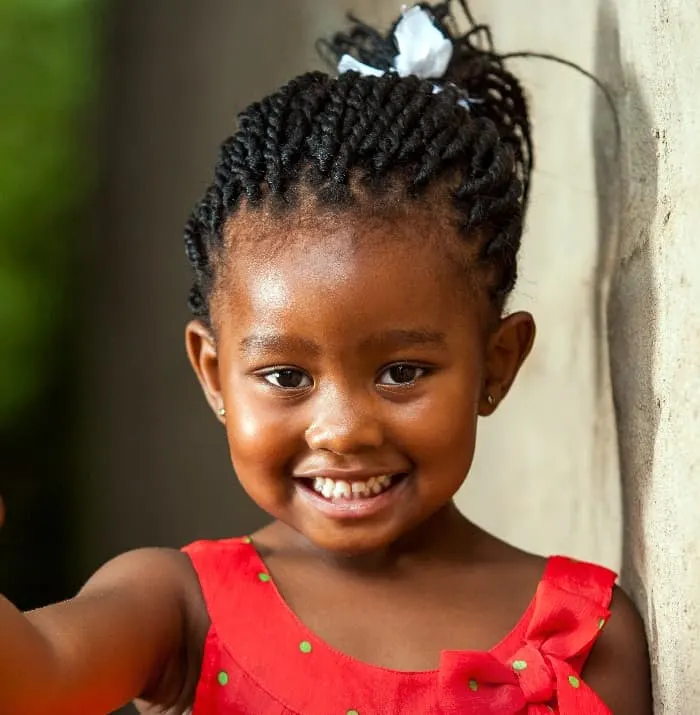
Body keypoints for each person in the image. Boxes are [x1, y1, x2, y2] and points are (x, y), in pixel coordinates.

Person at [0, 2, 652, 713]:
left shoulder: (578, 633)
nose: (342, 429)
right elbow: (36, 677)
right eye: (286, 376)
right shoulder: (182, 604)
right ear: (214, 374)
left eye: (402, 372)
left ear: (497, 363)